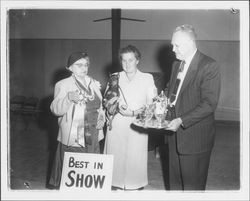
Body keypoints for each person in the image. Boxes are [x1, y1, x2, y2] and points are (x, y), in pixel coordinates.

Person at [164, 24, 221, 190]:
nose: (173, 49)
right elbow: (170, 91)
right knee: (175, 185)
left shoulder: (209, 66)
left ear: (190, 43)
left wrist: (181, 120)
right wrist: (159, 102)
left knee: (192, 188)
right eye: (172, 45)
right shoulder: (177, 64)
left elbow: (209, 104)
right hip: (173, 136)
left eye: (177, 45)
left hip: (195, 138)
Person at [103, 45, 157, 190]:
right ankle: (114, 184)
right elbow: (106, 101)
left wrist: (133, 113)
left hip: (137, 123)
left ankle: (135, 184)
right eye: (124, 60)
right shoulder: (114, 77)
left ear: (137, 60)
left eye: (131, 60)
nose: (127, 64)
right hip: (117, 123)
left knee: (135, 157)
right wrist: (112, 105)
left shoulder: (147, 78)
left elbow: (152, 106)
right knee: (115, 156)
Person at [49, 52, 105, 188]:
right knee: (74, 173)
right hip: (73, 136)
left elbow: (100, 106)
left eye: (86, 65)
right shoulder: (62, 84)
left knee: (90, 171)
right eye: (79, 65)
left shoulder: (93, 82)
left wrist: (102, 117)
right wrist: (68, 99)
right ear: (70, 67)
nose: (84, 68)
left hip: (94, 132)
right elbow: (55, 110)